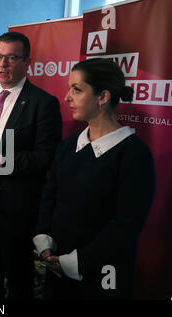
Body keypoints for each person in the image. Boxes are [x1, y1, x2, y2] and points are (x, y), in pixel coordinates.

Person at [33, 58, 155, 299]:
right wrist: (45, 242)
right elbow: (50, 195)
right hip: (57, 266)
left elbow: (125, 226)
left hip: (103, 274)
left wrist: (76, 262)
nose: (67, 97)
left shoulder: (134, 155)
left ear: (103, 97)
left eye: (77, 89)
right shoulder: (69, 145)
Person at [0, 31, 62, 299]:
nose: (2, 64)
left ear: (26, 63)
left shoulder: (43, 103)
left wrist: (1, 161)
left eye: (11, 58)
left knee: (19, 276)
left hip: (18, 207)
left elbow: (46, 156)